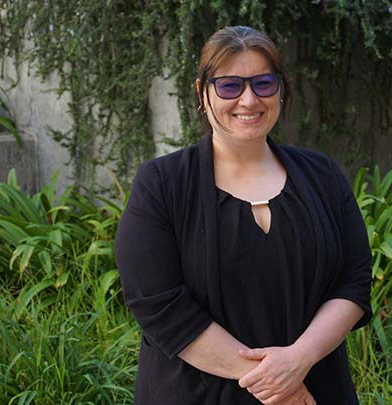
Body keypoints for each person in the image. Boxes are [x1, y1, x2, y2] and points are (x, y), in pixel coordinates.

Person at [115, 26, 372, 404]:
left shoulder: (323, 175)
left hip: (316, 388)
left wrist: (298, 360)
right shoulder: (162, 184)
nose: (249, 100)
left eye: (263, 84)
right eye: (230, 86)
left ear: (280, 90)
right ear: (202, 93)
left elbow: (354, 280)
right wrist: (275, 382)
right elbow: (158, 302)